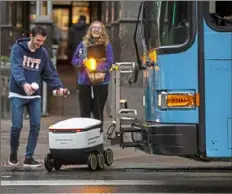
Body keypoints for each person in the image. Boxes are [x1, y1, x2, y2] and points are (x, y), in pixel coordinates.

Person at [8, 25, 67, 167]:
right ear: (31, 36)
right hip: (17, 92)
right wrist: (23, 84)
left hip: (34, 96)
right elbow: (16, 68)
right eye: (38, 40)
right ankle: (13, 152)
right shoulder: (18, 49)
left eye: (42, 41)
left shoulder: (43, 53)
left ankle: (29, 157)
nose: (40, 44)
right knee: (17, 125)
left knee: (35, 125)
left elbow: (50, 73)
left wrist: (59, 87)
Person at [71, 20, 114, 125]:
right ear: (90, 30)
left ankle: (97, 137)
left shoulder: (107, 45)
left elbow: (110, 62)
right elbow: (74, 60)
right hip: (84, 82)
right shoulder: (82, 44)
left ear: (102, 31)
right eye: (94, 27)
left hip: (101, 82)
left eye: (99, 28)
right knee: (84, 112)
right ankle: (85, 138)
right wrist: (83, 62)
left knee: (98, 112)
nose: (96, 29)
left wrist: (95, 67)